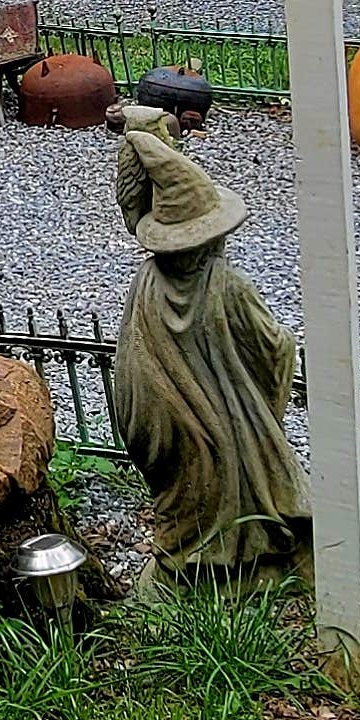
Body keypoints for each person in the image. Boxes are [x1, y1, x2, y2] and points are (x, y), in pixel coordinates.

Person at [109, 112, 307, 579]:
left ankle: (189, 569)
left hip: (173, 438)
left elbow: (129, 372)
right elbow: (274, 350)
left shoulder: (147, 282)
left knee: (190, 505)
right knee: (237, 492)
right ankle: (248, 570)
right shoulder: (227, 286)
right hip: (228, 434)